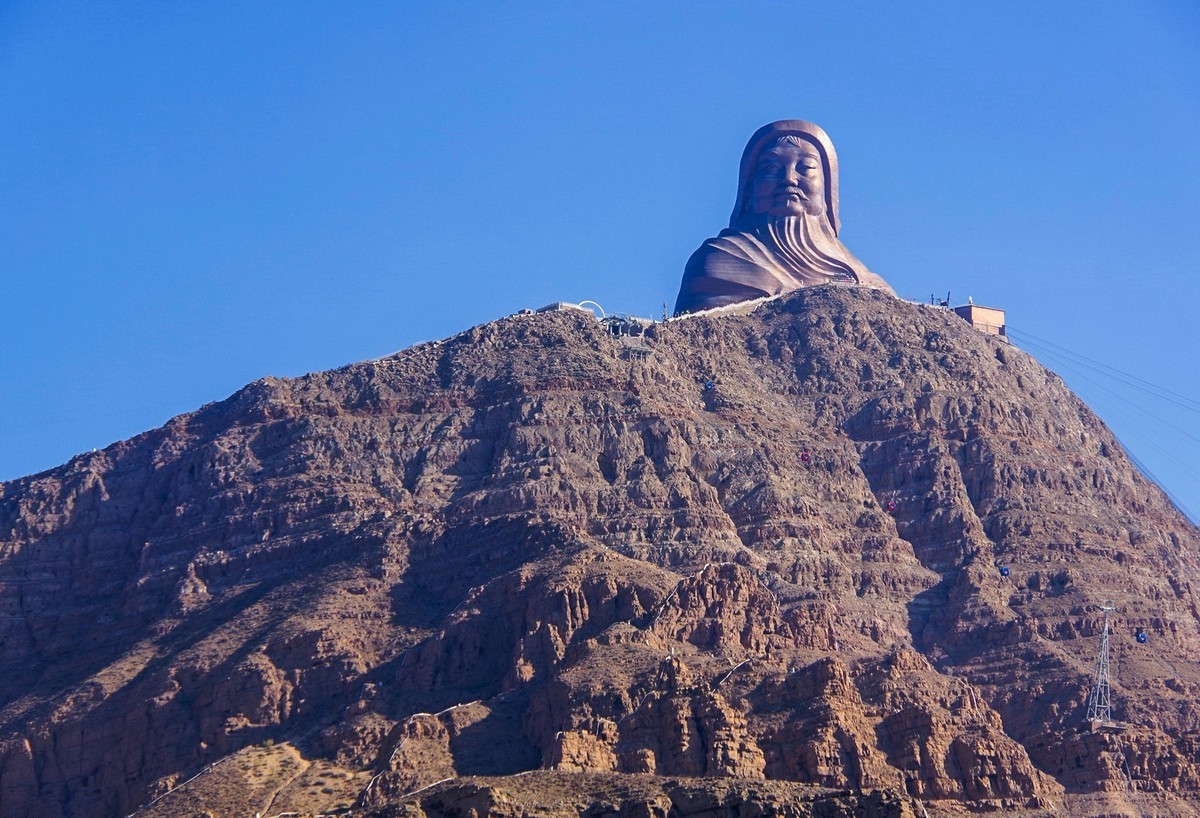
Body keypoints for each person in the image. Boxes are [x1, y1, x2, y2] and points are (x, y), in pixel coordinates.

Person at [674, 120, 894, 315]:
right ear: (749, 186)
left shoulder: (864, 279)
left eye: (805, 167)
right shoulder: (719, 260)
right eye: (771, 167)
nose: (789, 179)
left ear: (827, 188)